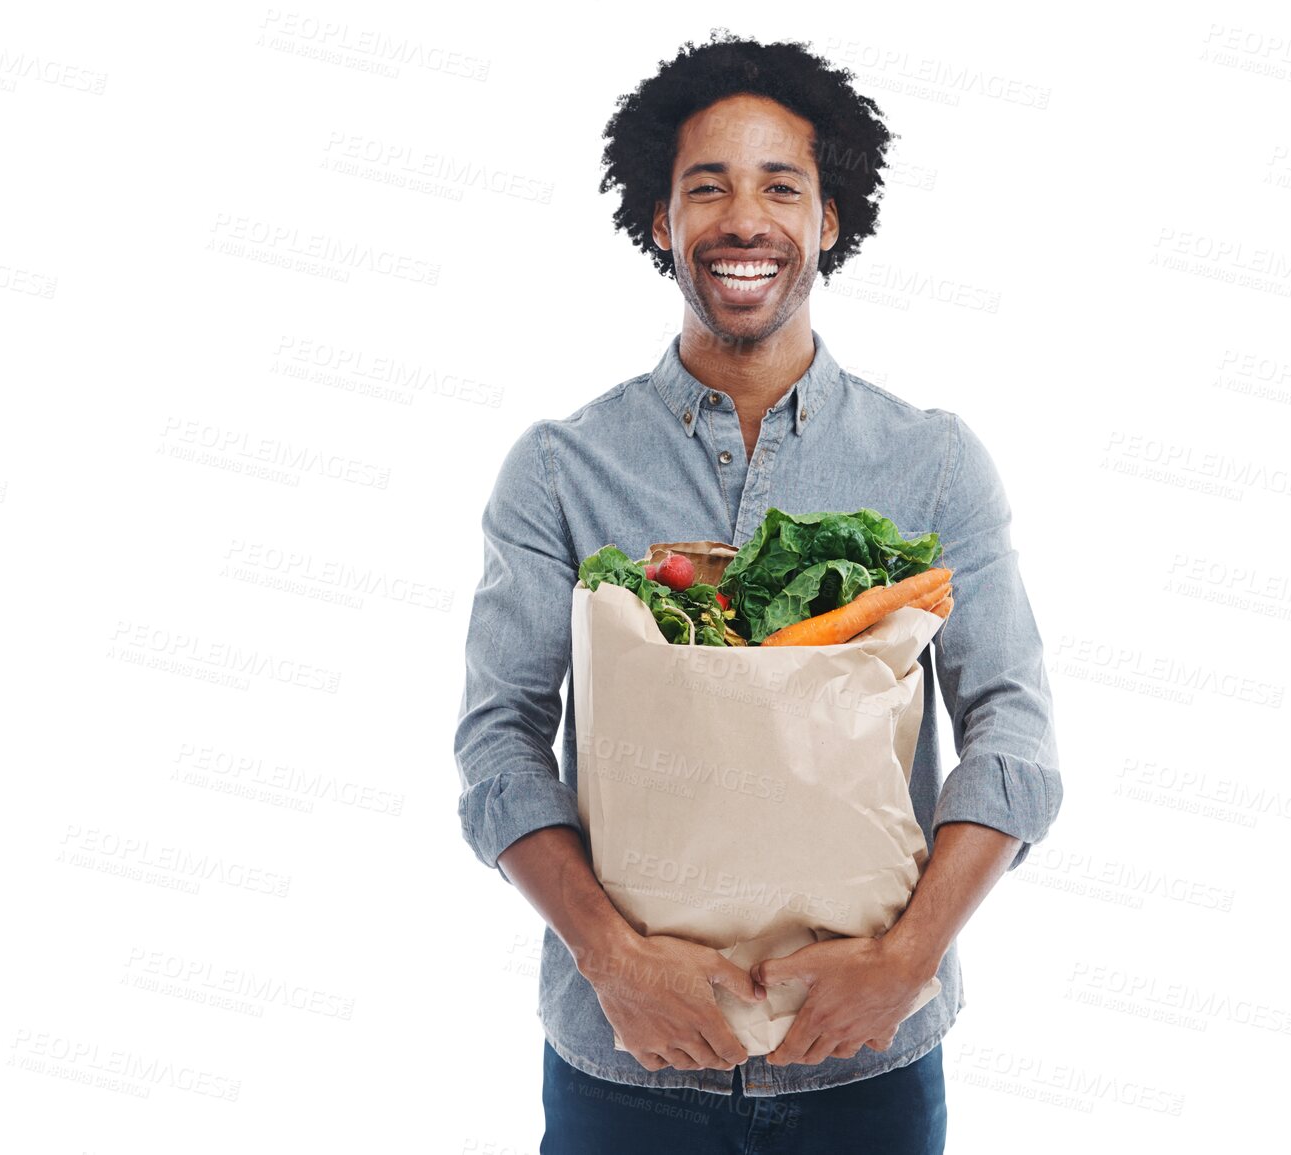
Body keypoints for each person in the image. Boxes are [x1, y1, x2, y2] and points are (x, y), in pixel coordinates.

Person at [454, 30, 1063, 1155]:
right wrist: (614, 960)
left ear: (830, 221)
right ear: (660, 222)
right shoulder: (559, 469)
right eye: (707, 189)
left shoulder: (929, 464)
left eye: (782, 186)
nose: (745, 220)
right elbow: (498, 746)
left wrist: (906, 961)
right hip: (625, 1059)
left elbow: (1014, 735)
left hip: (867, 1059)